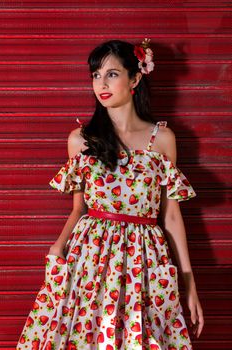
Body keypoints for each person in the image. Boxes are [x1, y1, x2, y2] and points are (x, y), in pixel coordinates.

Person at [17, 38, 204, 350]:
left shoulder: (163, 139)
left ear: (135, 78)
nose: (101, 84)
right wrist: (57, 247)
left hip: (145, 260)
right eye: (95, 75)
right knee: (84, 338)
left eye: (112, 74)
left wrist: (190, 284)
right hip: (91, 257)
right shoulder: (81, 140)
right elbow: (79, 209)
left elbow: (171, 215)